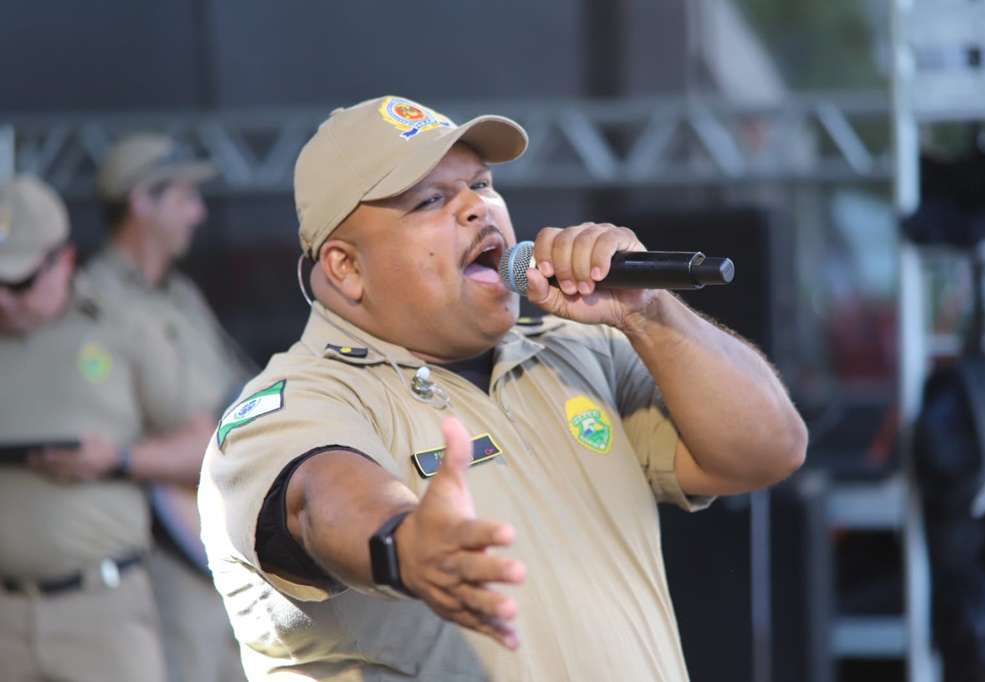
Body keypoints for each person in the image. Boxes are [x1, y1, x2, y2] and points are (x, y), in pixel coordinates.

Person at [197, 95, 808, 681]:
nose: (476, 207)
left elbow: (771, 450)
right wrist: (404, 543)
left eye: (483, 184)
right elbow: (317, 500)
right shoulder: (294, 401)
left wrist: (650, 311)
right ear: (346, 268)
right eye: (430, 199)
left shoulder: (582, 352)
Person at [0, 174, 215, 682]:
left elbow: (209, 445)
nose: (5, 301)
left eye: (20, 282)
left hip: (102, 608)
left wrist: (119, 460)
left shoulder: (123, 326)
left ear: (63, 261)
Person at [85, 133, 255, 682]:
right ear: (141, 201)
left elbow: (232, 387)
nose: (198, 213)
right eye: (185, 196)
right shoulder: (89, 301)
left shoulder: (180, 293)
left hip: (221, 527)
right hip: (168, 544)